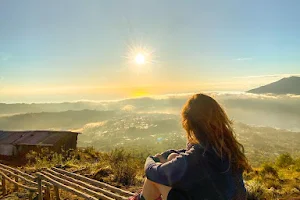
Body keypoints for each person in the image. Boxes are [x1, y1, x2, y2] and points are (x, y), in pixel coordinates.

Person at [129, 93, 250, 200]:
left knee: (155, 179)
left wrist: (150, 160)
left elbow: (154, 172)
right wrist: (170, 154)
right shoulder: (226, 148)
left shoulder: (197, 156)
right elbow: (189, 155)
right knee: (173, 156)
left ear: (190, 124)